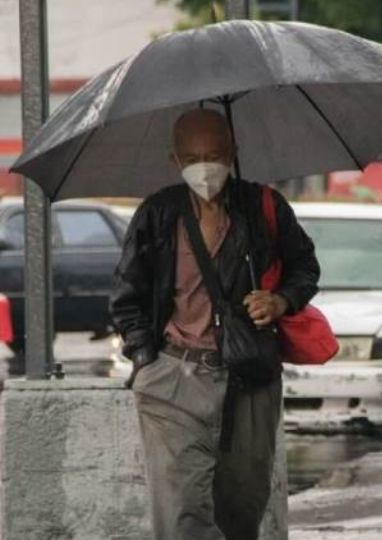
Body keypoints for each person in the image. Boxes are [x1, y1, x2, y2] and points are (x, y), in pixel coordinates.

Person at [111, 109, 320, 539]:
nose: (204, 167)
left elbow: (306, 268)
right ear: (175, 160)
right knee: (181, 513)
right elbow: (126, 295)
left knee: (241, 507)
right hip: (174, 378)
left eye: (214, 154)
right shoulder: (158, 214)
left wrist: (280, 300)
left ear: (233, 153)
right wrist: (146, 358)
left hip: (249, 379)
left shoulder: (263, 207)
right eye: (192, 157)